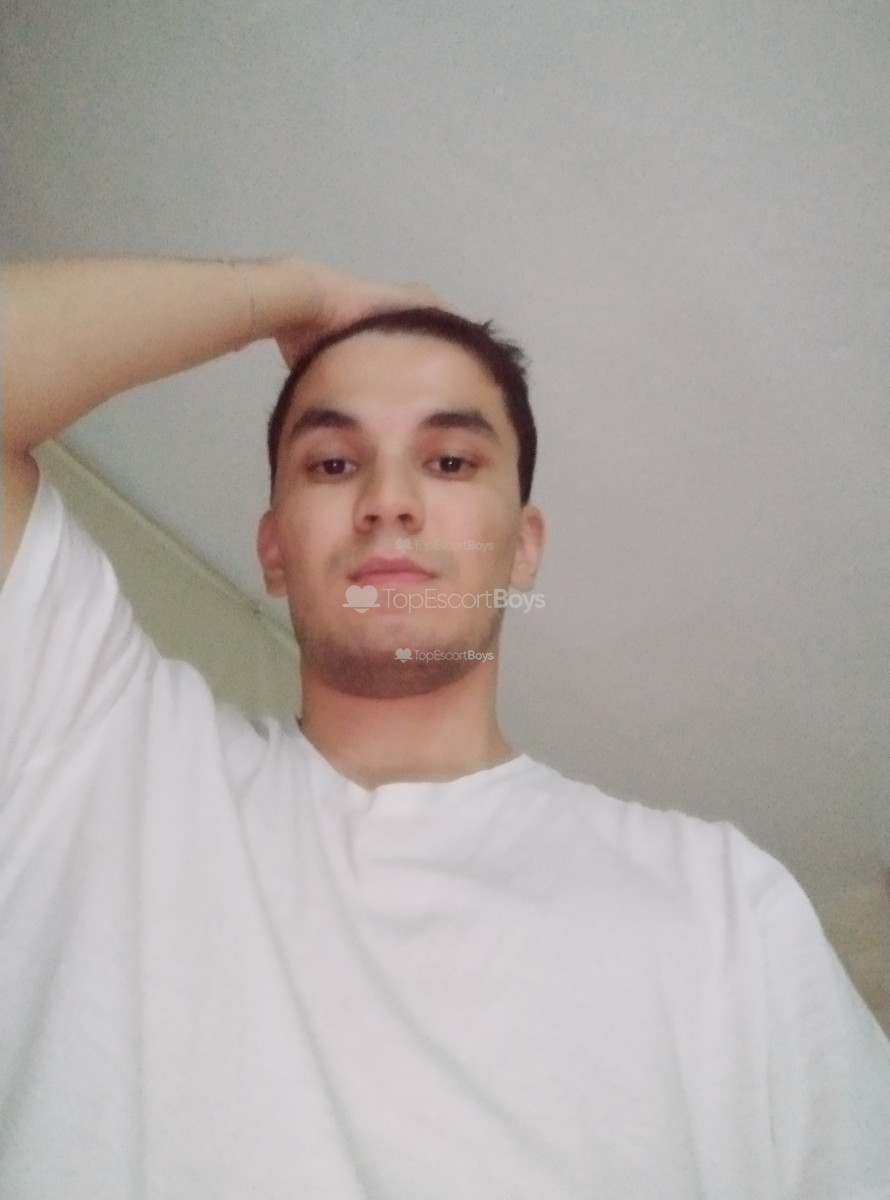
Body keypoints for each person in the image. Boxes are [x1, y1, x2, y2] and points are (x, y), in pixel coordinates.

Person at [1, 255, 888, 1200]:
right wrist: (301, 293)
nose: (389, 499)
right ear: (274, 548)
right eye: (333, 463)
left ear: (523, 547)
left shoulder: (727, 908)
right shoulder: (107, 761)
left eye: (451, 461)